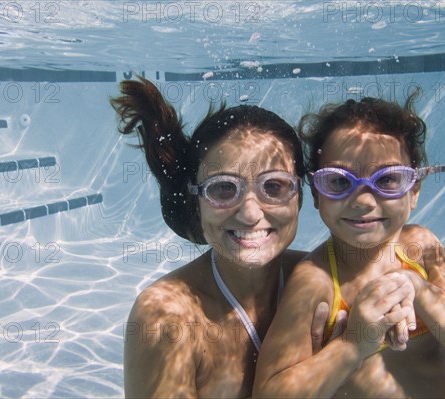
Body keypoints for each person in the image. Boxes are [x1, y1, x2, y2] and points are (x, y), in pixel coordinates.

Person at [252, 92, 445, 398]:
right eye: (338, 181)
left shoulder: (420, 248)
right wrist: (353, 344)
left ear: (414, 190)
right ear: (316, 193)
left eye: (388, 179)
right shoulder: (316, 280)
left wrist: (419, 290)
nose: (363, 200)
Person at [111, 76, 312, 398]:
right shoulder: (167, 315)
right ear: (196, 201)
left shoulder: (321, 276)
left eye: (274, 187)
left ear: (300, 196)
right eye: (223, 188)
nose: (250, 214)